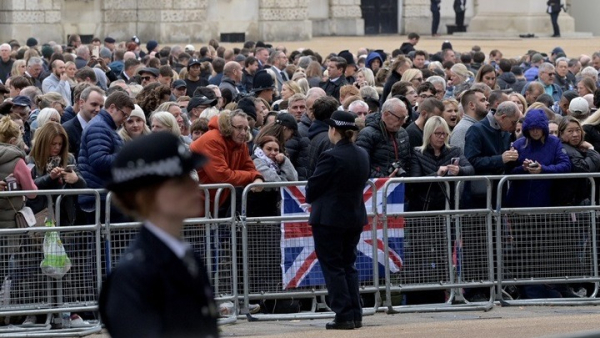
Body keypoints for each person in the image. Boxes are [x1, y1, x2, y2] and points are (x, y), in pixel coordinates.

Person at [99, 132, 218, 338]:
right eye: (178, 181)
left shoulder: (186, 257)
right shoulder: (134, 274)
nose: (193, 186)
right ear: (146, 196)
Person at [305, 110, 369, 330]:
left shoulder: (332, 156)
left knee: (333, 267)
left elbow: (313, 187)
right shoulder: (362, 153)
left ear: (334, 130)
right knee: (348, 265)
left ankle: (343, 314)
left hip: (329, 218)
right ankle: (354, 313)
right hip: (353, 216)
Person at [26, 122, 86, 227]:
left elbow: (83, 186)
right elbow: (28, 185)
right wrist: (49, 178)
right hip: (39, 215)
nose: (57, 147)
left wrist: (76, 179)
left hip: (64, 215)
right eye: (53, 144)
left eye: (60, 144)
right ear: (44, 142)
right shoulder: (31, 159)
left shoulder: (69, 158)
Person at [356, 97, 411, 178]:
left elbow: (408, 161)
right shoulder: (367, 134)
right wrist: (383, 178)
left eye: (405, 118)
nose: (403, 122)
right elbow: (361, 165)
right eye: (400, 118)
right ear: (386, 114)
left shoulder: (403, 133)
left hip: (400, 185)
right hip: (377, 187)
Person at [555, 116, 600, 206]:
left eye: (578, 130)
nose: (575, 134)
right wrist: (591, 149)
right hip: (572, 203)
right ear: (561, 133)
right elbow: (584, 169)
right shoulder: (566, 150)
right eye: (570, 131)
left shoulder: (577, 149)